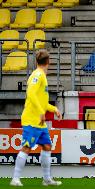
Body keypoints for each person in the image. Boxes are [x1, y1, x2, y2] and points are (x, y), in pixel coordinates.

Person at [10, 49, 62, 186]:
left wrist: (54, 109)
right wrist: (41, 111)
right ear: (48, 62)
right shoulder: (37, 75)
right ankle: (15, 179)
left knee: (47, 146)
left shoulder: (41, 76)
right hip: (32, 120)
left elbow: (42, 101)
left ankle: (46, 179)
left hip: (39, 122)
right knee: (26, 147)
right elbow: (31, 93)